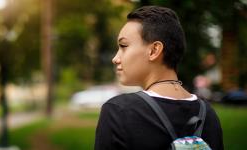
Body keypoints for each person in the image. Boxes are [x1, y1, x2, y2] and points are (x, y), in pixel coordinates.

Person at [94, 6, 223, 150]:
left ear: (154, 50)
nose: (115, 58)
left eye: (123, 46)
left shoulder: (118, 111)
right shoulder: (208, 114)